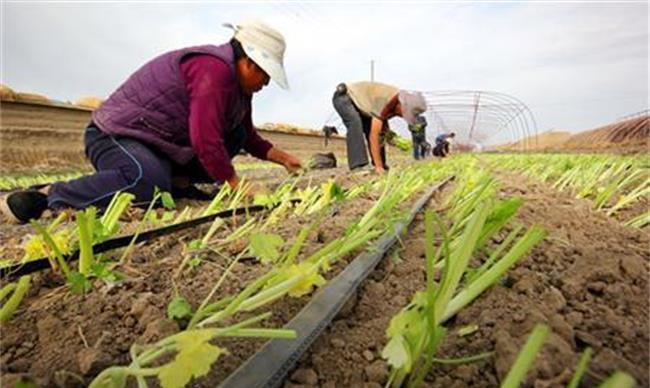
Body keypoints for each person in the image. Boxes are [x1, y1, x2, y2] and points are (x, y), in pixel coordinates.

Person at [0, 19, 302, 224]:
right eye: (264, 73)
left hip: (160, 147)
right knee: (144, 182)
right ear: (249, 61)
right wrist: (236, 184)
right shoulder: (214, 71)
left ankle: (176, 183)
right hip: (116, 137)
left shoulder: (240, 90)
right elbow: (205, 140)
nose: (266, 82)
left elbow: (246, 136)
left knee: (232, 136)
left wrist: (282, 157)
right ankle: (49, 195)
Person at [332, 81, 427, 173]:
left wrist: (389, 135)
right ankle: (358, 166)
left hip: (362, 108)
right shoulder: (386, 100)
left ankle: (381, 164)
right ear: (403, 105)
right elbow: (374, 136)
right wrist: (378, 166)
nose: (403, 116)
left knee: (379, 132)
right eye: (406, 113)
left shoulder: (397, 102)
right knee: (355, 123)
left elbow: (383, 123)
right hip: (344, 98)